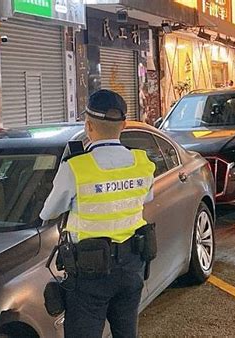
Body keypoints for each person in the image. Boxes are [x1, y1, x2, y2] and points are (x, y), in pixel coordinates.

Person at [39, 89, 156, 338]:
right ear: (123, 125)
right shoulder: (142, 162)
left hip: (91, 273)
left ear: (88, 126)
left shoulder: (76, 167)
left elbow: (49, 211)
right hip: (132, 264)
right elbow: (146, 196)